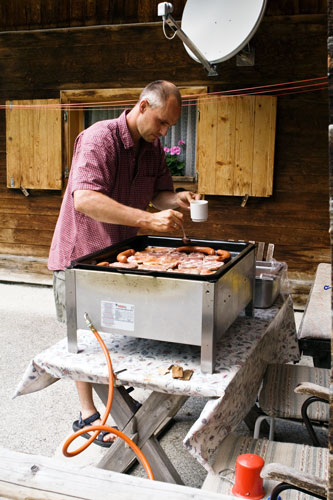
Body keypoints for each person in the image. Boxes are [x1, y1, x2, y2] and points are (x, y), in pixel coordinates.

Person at [48, 80, 200, 446]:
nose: (165, 131)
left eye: (170, 126)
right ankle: (87, 414)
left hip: (120, 254)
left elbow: (159, 193)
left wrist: (176, 199)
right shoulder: (98, 139)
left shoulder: (152, 147)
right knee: (82, 338)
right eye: (162, 122)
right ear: (143, 106)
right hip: (80, 255)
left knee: (117, 331)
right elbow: (84, 198)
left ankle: (117, 395)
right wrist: (148, 220)